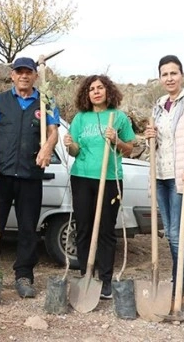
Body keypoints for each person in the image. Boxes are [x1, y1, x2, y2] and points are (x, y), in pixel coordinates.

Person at [0, 57, 59, 298]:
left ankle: (24, 275)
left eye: (28, 72)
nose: (23, 76)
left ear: (35, 75)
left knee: (28, 228)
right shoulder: (0, 100)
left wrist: (47, 148)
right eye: (19, 72)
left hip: (31, 175)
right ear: (12, 75)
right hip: (1, 174)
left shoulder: (46, 100)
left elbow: (53, 133)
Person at [144, 55, 184, 310]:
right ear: (160, 78)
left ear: (182, 75)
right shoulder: (159, 106)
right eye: (164, 74)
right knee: (175, 235)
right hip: (161, 176)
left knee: (175, 234)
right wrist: (151, 137)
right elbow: (159, 144)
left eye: (173, 73)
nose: (169, 78)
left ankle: (179, 287)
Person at [63, 74, 135, 300]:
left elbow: (129, 150)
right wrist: (70, 145)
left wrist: (117, 141)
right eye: (91, 89)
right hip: (82, 177)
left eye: (100, 88)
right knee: (83, 227)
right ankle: (86, 274)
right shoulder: (80, 119)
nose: (96, 91)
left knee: (105, 229)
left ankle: (105, 279)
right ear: (87, 94)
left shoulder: (119, 117)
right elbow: (74, 152)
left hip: (111, 178)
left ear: (108, 91)